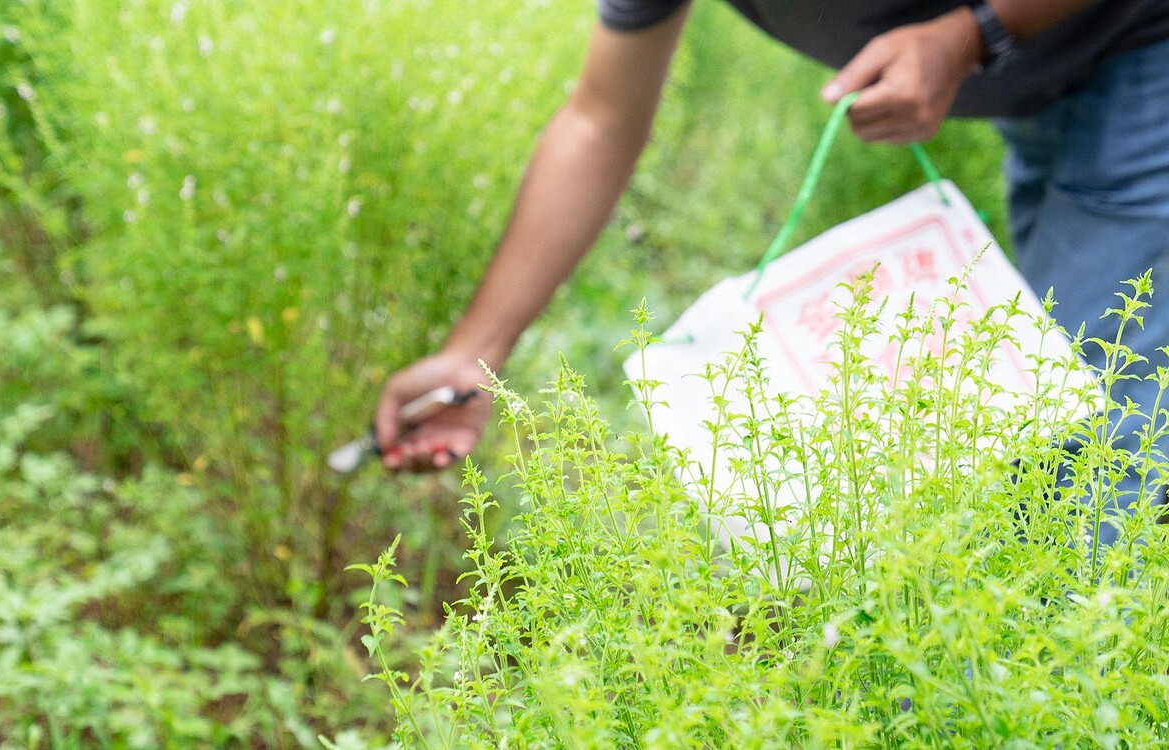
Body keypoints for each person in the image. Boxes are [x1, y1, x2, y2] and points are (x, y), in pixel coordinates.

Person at [375, 0, 1169, 541]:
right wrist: (472, 358)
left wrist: (972, 32)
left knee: (1091, 449)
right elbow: (600, 118)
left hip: (1141, 49)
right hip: (1037, 85)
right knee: (1054, 404)